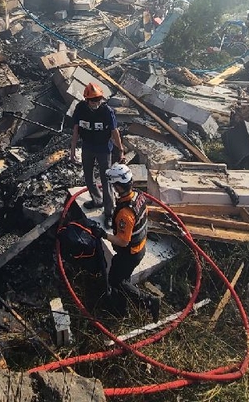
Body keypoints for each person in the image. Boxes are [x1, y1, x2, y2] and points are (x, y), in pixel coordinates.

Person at [96, 163, 160, 320]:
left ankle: (148, 300)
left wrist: (103, 235)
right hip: (139, 248)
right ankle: (121, 311)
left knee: (115, 280)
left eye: (113, 185)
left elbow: (123, 242)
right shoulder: (139, 196)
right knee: (123, 279)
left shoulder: (125, 213)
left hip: (129, 253)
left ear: (118, 186)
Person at [69, 82, 124, 227]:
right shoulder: (80, 109)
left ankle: (109, 213)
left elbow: (114, 131)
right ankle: (96, 200)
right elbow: (75, 129)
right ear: (86, 100)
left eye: (98, 99)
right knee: (88, 176)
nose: (96, 103)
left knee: (106, 181)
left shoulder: (107, 111)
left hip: (104, 149)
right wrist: (73, 149)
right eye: (93, 100)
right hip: (87, 146)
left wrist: (121, 150)